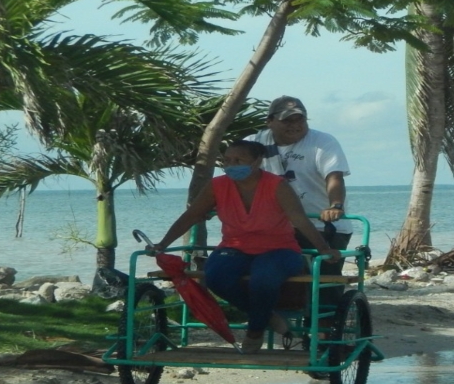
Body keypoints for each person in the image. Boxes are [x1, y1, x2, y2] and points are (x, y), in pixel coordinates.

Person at [148, 140, 342, 354]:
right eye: (227, 160)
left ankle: (255, 331)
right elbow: (191, 215)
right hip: (234, 247)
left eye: (239, 160)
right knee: (214, 275)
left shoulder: (276, 185)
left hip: (279, 248)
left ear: (258, 161)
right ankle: (267, 316)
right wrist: (163, 244)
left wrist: (324, 249)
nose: (232, 165)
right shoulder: (217, 185)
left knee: (263, 277)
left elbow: (300, 219)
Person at [247, 96, 352, 254]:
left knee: (322, 275)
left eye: (300, 120)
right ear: (269, 121)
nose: (295, 126)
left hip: (322, 225)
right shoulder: (253, 143)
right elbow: (237, 180)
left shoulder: (322, 141)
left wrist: (336, 206)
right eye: (287, 121)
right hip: (275, 227)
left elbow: (334, 177)